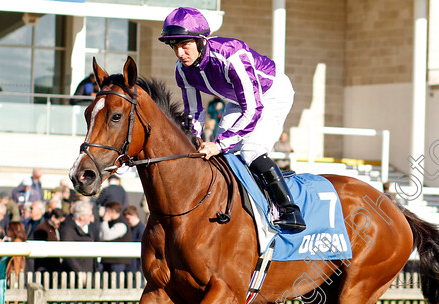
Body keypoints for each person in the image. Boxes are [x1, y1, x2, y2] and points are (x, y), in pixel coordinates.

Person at [159, 7, 305, 232]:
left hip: (272, 94)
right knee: (223, 150)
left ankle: (289, 209)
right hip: (239, 99)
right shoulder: (182, 69)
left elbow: (254, 108)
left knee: (250, 150)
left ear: (200, 41)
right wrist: (193, 139)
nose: (179, 53)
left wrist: (218, 145)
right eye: (174, 46)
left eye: (184, 45)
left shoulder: (231, 54)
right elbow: (194, 112)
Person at [59, 201, 97, 278]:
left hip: (88, 273)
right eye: (89, 215)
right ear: (82, 216)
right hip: (73, 276)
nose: (92, 217)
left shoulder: (91, 228)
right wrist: (79, 272)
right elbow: (68, 254)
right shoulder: (67, 228)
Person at [100, 202, 132, 274]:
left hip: (117, 262)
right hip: (109, 260)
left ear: (113, 211)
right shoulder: (111, 222)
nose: (105, 213)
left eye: (107, 211)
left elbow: (106, 236)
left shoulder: (121, 224)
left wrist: (104, 221)